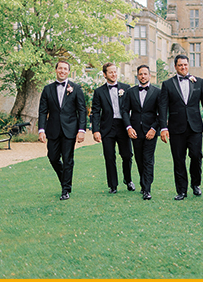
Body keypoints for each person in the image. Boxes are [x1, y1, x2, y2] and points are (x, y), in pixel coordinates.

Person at [158, 54, 203, 199]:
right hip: (176, 128)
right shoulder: (167, 84)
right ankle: (181, 190)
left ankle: (196, 184)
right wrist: (163, 127)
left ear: (189, 65)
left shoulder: (198, 82)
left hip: (195, 128)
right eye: (180, 65)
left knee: (196, 156)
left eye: (185, 65)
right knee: (178, 159)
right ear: (175, 67)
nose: (183, 67)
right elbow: (162, 107)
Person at [37, 60, 87, 200]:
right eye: (60, 68)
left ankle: (65, 190)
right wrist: (41, 129)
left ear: (68, 72)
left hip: (70, 130)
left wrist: (81, 130)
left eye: (65, 69)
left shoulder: (76, 88)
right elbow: (42, 111)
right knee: (52, 157)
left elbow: (82, 111)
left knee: (67, 159)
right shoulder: (47, 89)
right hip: (52, 129)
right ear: (56, 70)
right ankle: (64, 179)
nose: (62, 71)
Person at [90, 62, 135, 194]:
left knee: (127, 155)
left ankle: (128, 179)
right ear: (105, 74)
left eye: (115, 71)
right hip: (107, 128)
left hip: (123, 126)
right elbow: (96, 112)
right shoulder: (99, 92)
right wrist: (96, 130)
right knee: (109, 157)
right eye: (110, 72)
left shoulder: (126, 88)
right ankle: (113, 185)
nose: (114, 74)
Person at [120, 64, 160, 200]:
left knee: (148, 160)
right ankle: (144, 185)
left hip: (151, 131)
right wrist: (129, 127)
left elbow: (161, 113)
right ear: (137, 76)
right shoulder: (130, 92)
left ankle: (147, 189)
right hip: (135, 132)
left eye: (145, 74)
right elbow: (124, 111)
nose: (143, 76)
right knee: (139, 159)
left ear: (150, 75)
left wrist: (154, 128)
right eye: (140, 74)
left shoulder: (157, 92)